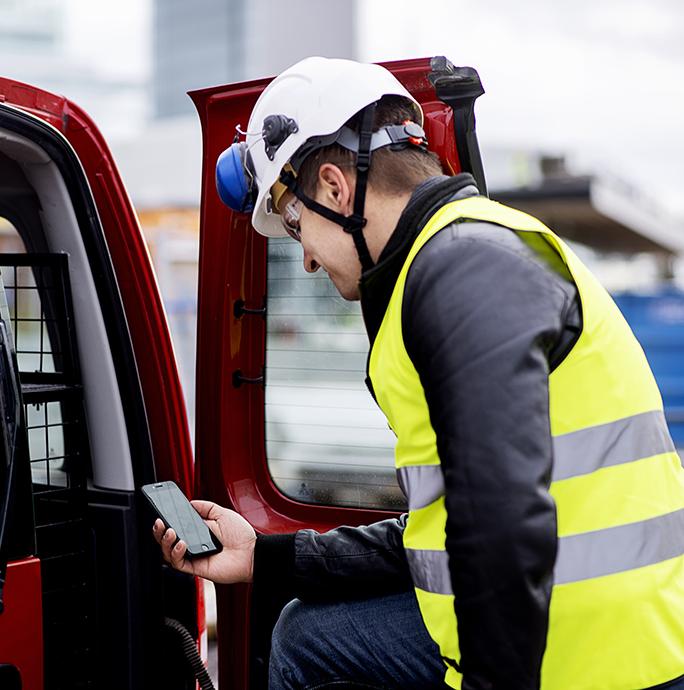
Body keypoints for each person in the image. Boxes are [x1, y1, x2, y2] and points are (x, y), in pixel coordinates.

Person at [154, 57, 684, 690]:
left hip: (595, 659)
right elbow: (440, 529)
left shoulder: (462, 267)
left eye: (296, 226)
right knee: (305, 637)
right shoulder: (449, 260)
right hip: (571, 618)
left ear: (334, 188)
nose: (307, 261)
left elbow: (500, 526)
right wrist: (263, 557)